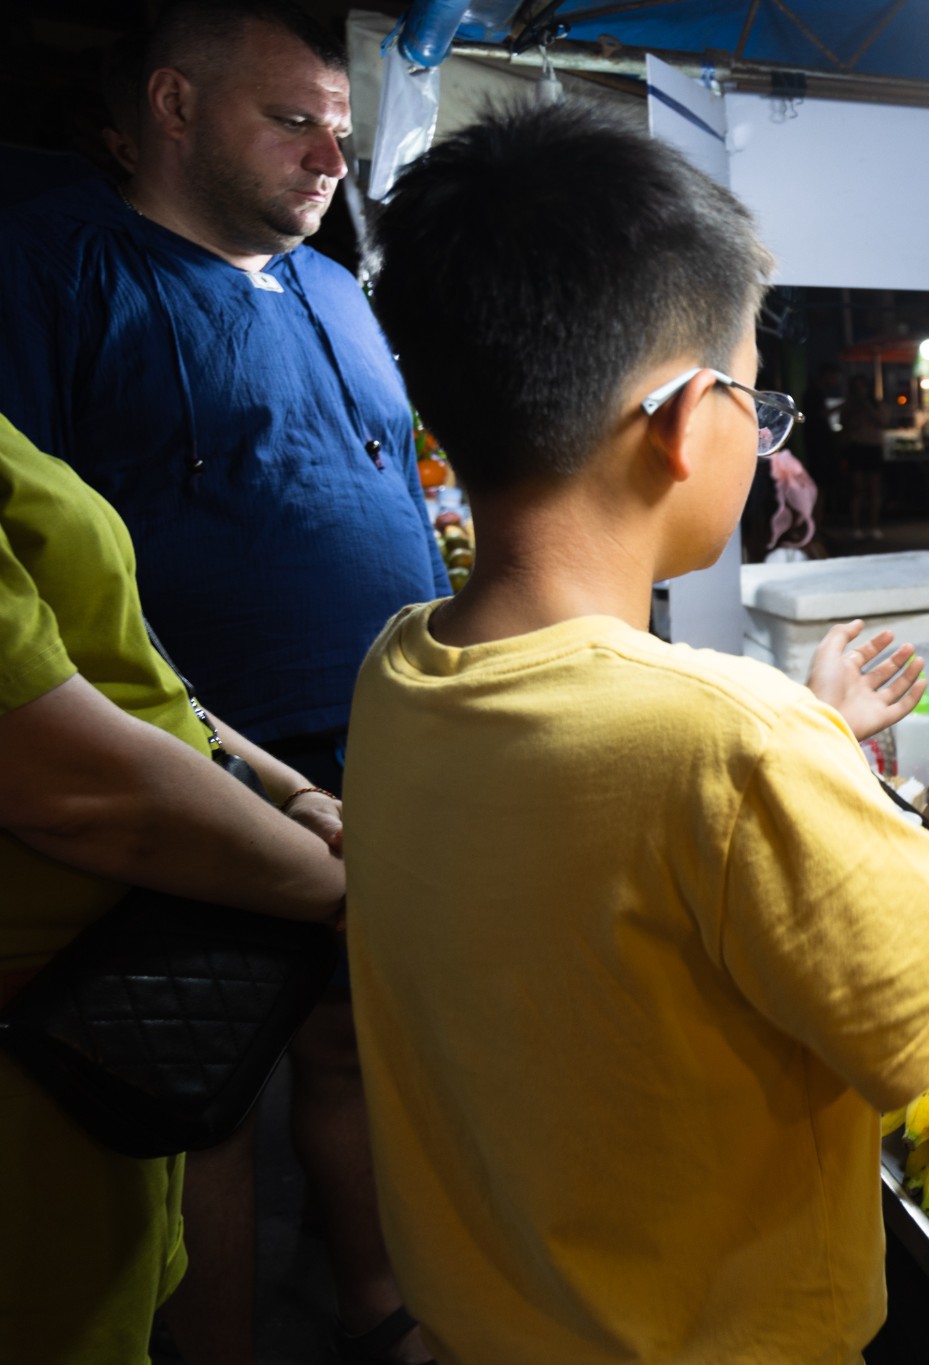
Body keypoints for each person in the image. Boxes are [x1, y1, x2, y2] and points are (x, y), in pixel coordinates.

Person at [345, 103, 929, 1362]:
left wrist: (810, 724)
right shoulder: (727, 743)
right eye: (757, 406)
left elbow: (591, 853)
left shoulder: (402, 668)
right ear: (684, 419)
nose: (760, 446)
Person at [0, 3, 445, 1360]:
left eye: (339, 130)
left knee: (358, 1045)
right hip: (180, 758)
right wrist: (231, 761)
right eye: (291, 120)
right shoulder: (60, 258)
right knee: (194, 1073)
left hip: (375, 736)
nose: (327, 156)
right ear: (176, 106)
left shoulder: (329, 286)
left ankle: (378, 1313)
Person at [0, 414, 346, 1365]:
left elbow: (140, 677)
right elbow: (64, 781)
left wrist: (295, 792)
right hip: (40, 1036)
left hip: (109, 1010)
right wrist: (343, 889)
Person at [840, 372, 887, 540]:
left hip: (873, 447)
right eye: (857, 387)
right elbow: (843, 423)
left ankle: (874, 526)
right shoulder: (848, 406)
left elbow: (883, 421)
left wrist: (867, 406)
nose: (860, 390)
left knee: (874, 489)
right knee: (857, 489)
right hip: (856, 448)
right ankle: (856, 527)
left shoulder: (876, 404)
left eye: (863, 387)